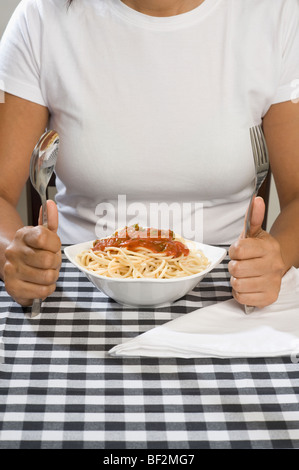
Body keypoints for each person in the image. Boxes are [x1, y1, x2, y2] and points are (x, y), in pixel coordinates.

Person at [0, 0, 299, 309]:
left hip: (231, 287)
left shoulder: (276, 14)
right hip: (77, 285)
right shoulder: (41, 16)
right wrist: (16, 255)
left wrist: (276, 256)